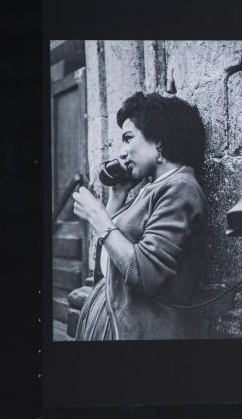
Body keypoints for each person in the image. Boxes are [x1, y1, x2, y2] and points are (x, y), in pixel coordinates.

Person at [72, 92, 207, 341]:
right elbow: (110, 257)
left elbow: (146, 273)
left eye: (128, 138)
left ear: (159, 141)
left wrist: (97, 215)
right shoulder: (151, 187)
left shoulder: (181, 188)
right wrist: (116, 198)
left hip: (143, 331)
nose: (122, 153)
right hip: (115, 320)